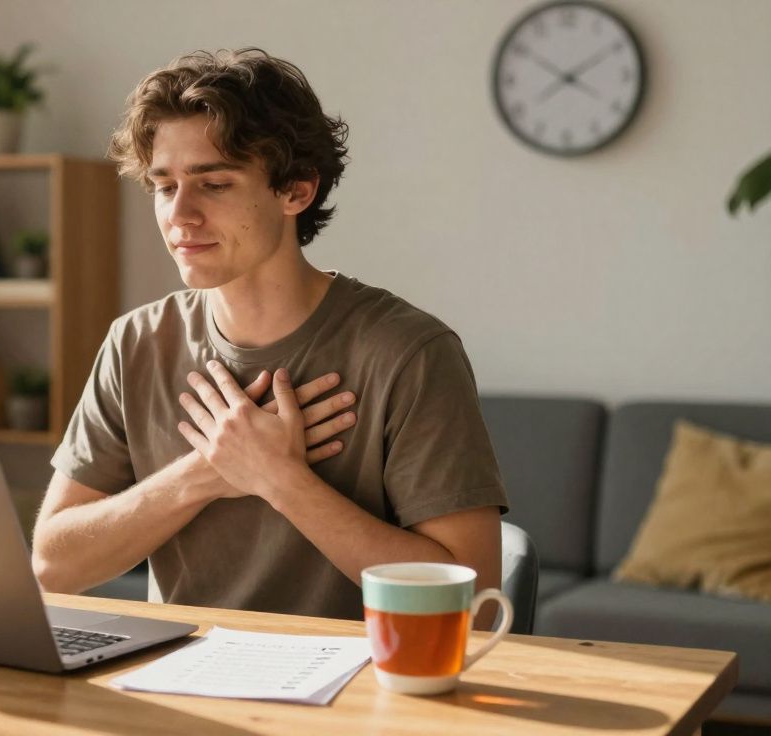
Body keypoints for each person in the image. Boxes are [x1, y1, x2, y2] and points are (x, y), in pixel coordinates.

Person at [30, 48, 508, 626]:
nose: (180, 214)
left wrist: (280, 480)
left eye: (214, 184)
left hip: (360, 676)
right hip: (179, 669)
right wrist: (202, 474)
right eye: (164, 186)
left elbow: (476, 606)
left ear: (296, 191)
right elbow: (52, 566)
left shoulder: (409, 353)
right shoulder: (136, 342)